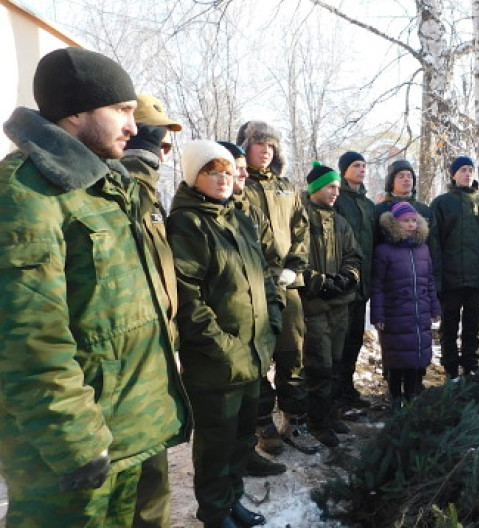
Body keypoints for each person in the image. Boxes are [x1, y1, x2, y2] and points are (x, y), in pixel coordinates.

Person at [0, 48, 188, 526]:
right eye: (121, 110)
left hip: (125, 433)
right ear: (76, 112)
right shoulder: (25, 195)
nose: (132, 126)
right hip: (69, 455)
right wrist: (76, 440)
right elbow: (27, 341)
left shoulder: (106, 187)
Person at [168, 141, 279, 528]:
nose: (223, 179)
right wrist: (228, 349)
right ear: (193, 176)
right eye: (213, 172)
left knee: (241, 438)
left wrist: (272, 325)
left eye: (229, 172)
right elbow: (188, 299)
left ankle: (232, 500)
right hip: (217, 362)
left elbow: (264, 278)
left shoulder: (238, 218)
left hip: (253, 353)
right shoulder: (188, 223)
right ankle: (215, 512)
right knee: (216, 443)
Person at [120, 94, 185, 528]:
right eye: (159, 143)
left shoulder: (149, 194)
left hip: (155, 354)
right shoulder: (125, 189)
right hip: (126, 366)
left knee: (154, 482)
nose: (165, 153)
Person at [235, 120, 315, 455]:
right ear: (245, 146)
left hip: (288, 284)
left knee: (292, 354)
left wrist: (293, 267)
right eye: (259, 144)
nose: (266, 151)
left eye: (271, 146)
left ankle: (294, 420)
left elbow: (301, 230)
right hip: (253, 286)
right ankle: (262, 422)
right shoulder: (238, 185)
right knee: (257, 357)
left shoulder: (286, 187)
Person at [218, 140, 290, 477]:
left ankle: (247, 452)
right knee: (225, 410)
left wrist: (273, 310)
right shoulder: (196, 217)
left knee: (254, 386)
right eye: (237, 169)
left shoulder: (249, 213)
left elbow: (268, 260)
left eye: (244, 169)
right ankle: (225, 475)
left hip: (258, 314)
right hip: (226, 326)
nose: (244, 175)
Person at [300, 162, 362, 447]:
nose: (335, 192)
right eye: (330, 187)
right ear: (315, 188)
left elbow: (353, 256)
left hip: (339, 304)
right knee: (319, 365)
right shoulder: (301, 218)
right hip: (314, 305)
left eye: (337, 187)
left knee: (336, 361)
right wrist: (319, 282)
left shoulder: (340, 222)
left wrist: (347, 278)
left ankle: (330, 413)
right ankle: (316, 421)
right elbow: (294, 259)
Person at [430, 156, 479, 379]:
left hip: (476, 280)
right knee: (449, 327)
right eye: (463, 170)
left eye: (470, 170)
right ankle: (450, 370)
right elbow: (434, 244)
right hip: (450, 280)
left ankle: (470, 368)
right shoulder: (441, 204)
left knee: (472, 327)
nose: (467, 174)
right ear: (454, 175)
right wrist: (437, 279)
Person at [372, 202, 441, 408]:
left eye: (413, 220)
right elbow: (378, 286)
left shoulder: (423, 249)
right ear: (395, 224)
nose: (410, 225)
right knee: (396, 356)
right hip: (395, 313)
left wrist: (434, 307)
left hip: (419, 312)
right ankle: (395, 396)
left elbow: (429, 280)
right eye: (405, 221)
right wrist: (378, 315)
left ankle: (411, 395)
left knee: (415, 355)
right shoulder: (384, 251)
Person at [334, 151, 375, 409]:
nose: (361, 169)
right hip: (342, 283)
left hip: (363, 284)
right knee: (339, 341)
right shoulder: (338, 199)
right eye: (356, 165)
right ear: (344, 170)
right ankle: (335, 394)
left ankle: (347, 387)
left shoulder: (368, 205)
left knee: (355, 340)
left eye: (363, 165)